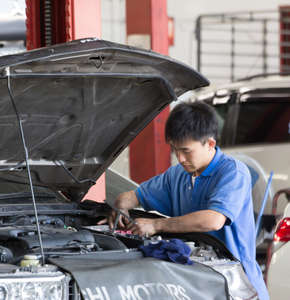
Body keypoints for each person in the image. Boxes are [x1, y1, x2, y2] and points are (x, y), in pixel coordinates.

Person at [101, 102, 269, 300]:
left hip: (235, 283)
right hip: (194, 282)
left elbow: (213, 220)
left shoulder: (233, 172)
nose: (179, 158)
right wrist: (121, 205)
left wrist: (156, 225)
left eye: (186, 150)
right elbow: (132, 196)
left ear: (210, 144)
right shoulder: (177, 175)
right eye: (174, 150)